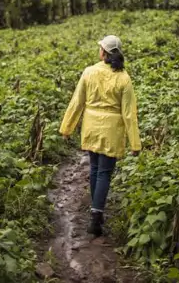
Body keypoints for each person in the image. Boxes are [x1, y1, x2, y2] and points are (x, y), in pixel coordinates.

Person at [59, 34, 141, 237]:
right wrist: (135, 143)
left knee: (95, 169)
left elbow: (77, 102)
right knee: (104, 172)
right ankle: (96, 216)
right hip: (111, 130)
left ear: (103, 52)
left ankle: (96, 211)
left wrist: (66, 128)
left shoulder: (89, 72)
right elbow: (129, 113)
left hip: (92, 128)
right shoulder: (124, 78)